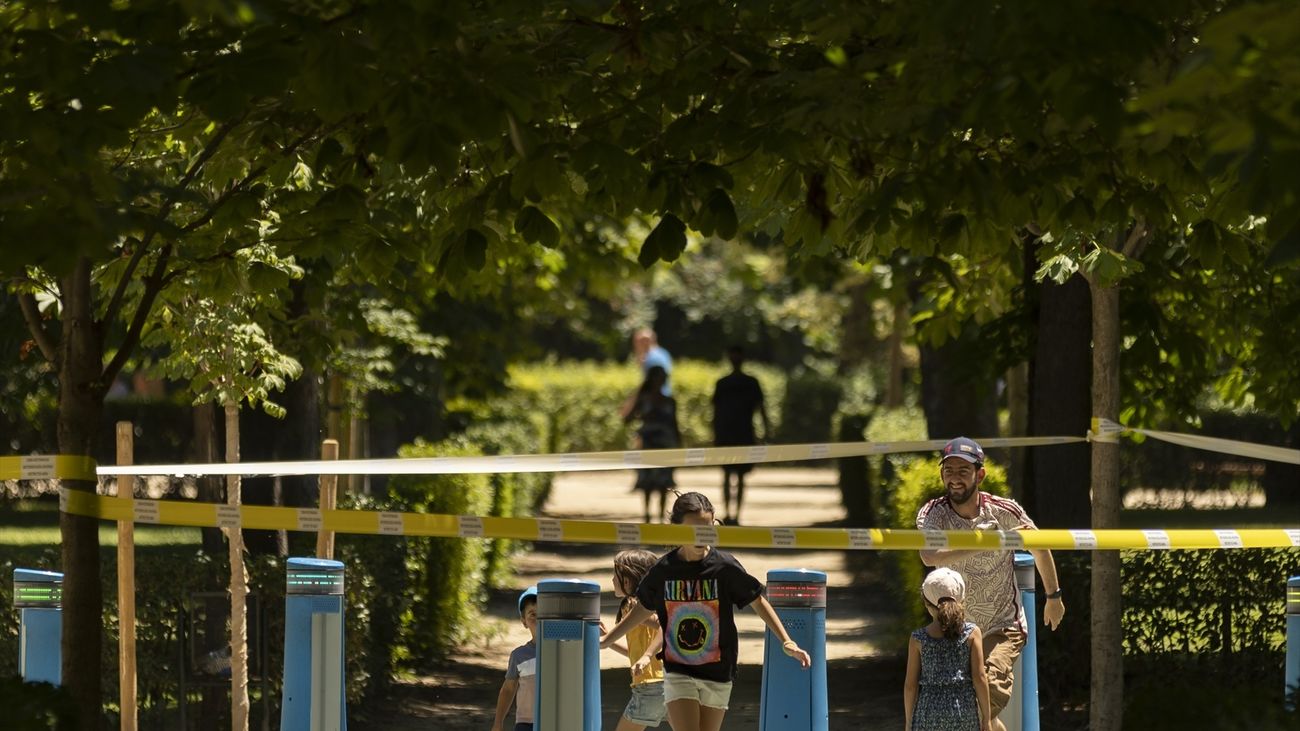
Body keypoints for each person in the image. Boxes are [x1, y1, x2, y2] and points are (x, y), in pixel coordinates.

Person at [600, 491, 812, 731]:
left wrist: (787, 641)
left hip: (719, 671)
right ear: (677, 529)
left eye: (707, 527)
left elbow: (757, 600)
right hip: (678, 669)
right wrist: (608, 639)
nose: (701, 535)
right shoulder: (665, 570)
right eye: (693, 529)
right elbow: (642, 607)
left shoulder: (724, 567)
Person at [915, 437, 1064, 731]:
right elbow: (929, 556)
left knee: (978, 703)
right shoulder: (933, 513)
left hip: (1003, 626)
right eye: (949, 470)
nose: (954, 478)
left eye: (963, 471)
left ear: (979, 474)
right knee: (975, 716)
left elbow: (1039, 546)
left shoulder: (1003, 511)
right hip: (957, 632)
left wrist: (1054, 596)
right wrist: (981, 544)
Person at [904, 567, 991, 731]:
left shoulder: (918, 639)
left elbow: (910, 685)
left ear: (926, 603)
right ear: (962, 600)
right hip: (963, 710)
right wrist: (986, 718)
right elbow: (980, 678)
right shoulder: (972, 634)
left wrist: (909, 722)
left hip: (928, 711)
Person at [604, 549, 669, 730]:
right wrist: (607, 640)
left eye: (615, 575)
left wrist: (647, 655)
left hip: (651, 687)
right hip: (670, 684)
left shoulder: (633, 604)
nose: (612, 580)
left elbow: (668, 626)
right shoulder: (653, 605)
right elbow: (636, 654)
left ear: (628, 579)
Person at [711, 345, 770, 525]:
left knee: (737, 476)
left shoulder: (745, 383)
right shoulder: (727, 383)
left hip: (741, 433)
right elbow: (716, 411)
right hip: (732, 434)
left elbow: (760, 408)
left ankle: (735, 513)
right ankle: (731, 513)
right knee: (729, 475)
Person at [621, 366, 680, 523]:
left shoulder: (670, 401)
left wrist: (678, 447)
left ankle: (661, 516)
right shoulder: (643, 399)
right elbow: (626, 418)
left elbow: (675, 425)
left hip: (665, 444)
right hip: (647, 443)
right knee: (647, 482)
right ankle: (647, 515)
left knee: (663, 483)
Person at [491, 586, 539, 731]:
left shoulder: (564, 651)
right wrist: (498, 722)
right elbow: (508, 689)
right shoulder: (519, 656)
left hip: (557, 721)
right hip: (526, 724)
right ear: (524, 621)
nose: (539, 619)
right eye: (533, 614)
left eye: (545, 614)